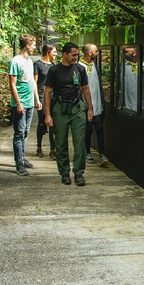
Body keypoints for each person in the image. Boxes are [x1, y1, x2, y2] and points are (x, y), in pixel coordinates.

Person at [44, 42, 94, 186]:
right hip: (60, 108)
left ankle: (78, 173)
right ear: (64, 54)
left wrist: (90, 109)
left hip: (77, 107)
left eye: (77, 54)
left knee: (80, 141)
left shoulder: (79, 69)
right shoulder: (54, 71)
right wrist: (47, 115)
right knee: (60, 142)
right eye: (73, 55)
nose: (76, 57)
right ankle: (64, 172)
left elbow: (85, 89)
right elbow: (47, 92)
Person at [9, 34, 42, 176]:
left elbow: (32, 82)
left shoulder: (29, 61)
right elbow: (12, 84)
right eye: (33, 45)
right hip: (20, 103)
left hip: (29, 103)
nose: (35, 47)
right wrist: (18, 103)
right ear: (27, 45)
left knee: (26, 131)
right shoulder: (15, 61)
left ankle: (22, 157)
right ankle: (19, 163)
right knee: (19, 133)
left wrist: (37, 99)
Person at [79, 43, 109, 167]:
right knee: (88, 130)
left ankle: (102, 154)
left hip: (97, 105)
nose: (97, 54)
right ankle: (87, 152)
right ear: (90, 53)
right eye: (96, 52)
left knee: (99, 129)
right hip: (85, 106)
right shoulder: (79, 67)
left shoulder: (95, 66)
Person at [33, 44, 57, 158]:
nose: (56, 54)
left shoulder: (54, 65)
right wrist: (37, 99)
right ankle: (39, 147)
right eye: (54, 52)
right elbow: (35, 82)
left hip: (52, 96)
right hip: (42, 95)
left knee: (52, 123)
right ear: (48, 52)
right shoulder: (38, 64)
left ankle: (53, 149)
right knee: (42, 122)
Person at [122, 47, 138, 112]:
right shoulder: (124, 66)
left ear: (134, 53)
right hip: (126, 105)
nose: (124, 54)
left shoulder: (143, 67)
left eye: (126, 52)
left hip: (138, 105)